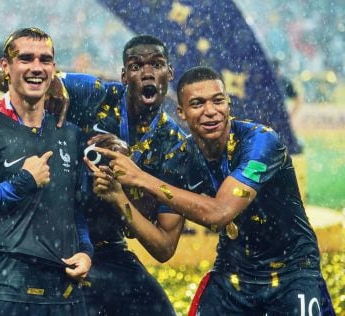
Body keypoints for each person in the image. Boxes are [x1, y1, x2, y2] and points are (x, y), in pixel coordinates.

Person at [90, 66, 335, 315]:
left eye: (218, 101)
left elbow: (220, 213)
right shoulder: (179, 160)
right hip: (232, 276)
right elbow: (162, 248)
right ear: (181, 112)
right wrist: (119, 198)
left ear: (228, 104)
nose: (210, 112)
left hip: (292, 272)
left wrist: (142, 178)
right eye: (197, 103)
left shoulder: (261, 142)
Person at [0, 27, 92, 315]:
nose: (36, 67)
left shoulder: (71, 134)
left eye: (45, 59)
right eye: (25, 58)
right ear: (6, 67)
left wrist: (86, 251)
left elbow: (75, 211)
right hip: (4, 289)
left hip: (64, 294)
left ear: (54, 69)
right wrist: (20, 184)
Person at [60, 35, 186, 315]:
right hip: (51, 239)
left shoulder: (174, 145)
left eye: (156, 63)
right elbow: (37, 82)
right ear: (124, 75)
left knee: (159, 310)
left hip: (106, 248)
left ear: (170, 72)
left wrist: (120, 195)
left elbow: (164, 248)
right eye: (136, 65)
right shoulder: (96, 94)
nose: (147, 72)